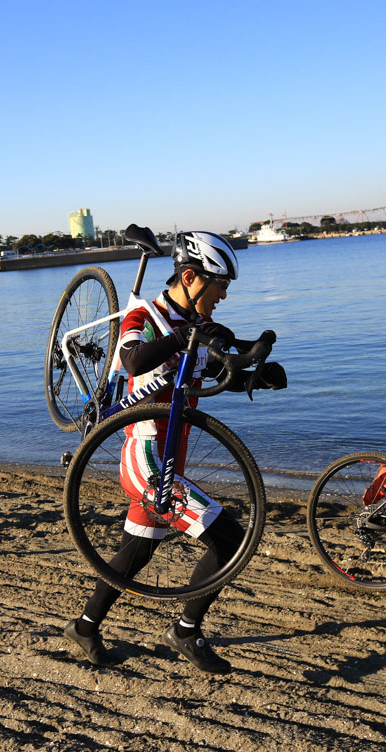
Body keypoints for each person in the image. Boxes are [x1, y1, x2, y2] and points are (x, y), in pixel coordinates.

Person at [63, 231, 286, 675]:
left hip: (172, 455)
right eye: (220, 285)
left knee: (137, 551)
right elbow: (132, 361)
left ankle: (85, 626)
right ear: (190, 276)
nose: (223, 295)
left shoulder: (199, 327)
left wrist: (256, 379)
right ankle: (186, 631)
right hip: (146, 457)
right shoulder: (146, 316)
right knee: (231, 539)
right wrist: (189, 335)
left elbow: (209, 378)